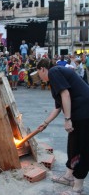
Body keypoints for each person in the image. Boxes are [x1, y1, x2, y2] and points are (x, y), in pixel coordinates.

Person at [36, 58, 89, 195]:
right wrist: (45, 123)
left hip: (85, 113)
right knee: (72, 145)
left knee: (82, 147)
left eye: (38, 73)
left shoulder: (54, 71)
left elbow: (65, 94)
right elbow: (58, 107)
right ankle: (68, 176)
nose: (39, 77)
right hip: (77, 114)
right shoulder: (55, 80)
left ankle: (78, 187)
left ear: (43, 69)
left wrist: (67, 119)